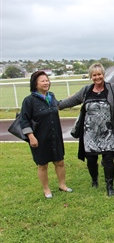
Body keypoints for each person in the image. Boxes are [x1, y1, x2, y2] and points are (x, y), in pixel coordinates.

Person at [58, 63, 114, 197]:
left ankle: (110, 186)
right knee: (91, 160)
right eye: (94, 75)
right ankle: (94, 180)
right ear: (91, 77)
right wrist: (55, 105)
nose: (97, 77)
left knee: (108, 159)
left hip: (107, 132)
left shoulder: (113, 88)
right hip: (90, 133)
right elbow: (71, 101)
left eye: (99, 74)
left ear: (103, 75)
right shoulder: (86, 91)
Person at [20, 71, 72, 199]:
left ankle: (62, 185)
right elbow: (24, 120)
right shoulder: (29, 101)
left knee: (59, 161)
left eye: (47, 80)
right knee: (42, 165)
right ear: (35, 84)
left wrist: (73, 98)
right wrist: (31, 136)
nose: (46, 83)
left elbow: (59, 106)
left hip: (55, 136)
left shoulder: (51, 96)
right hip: (39, 138)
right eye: (42, 80)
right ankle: (46, 189)